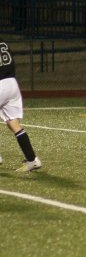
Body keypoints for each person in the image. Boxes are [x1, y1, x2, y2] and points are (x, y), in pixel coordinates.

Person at [0, 40, 42, 172]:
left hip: (0, 83)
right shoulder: (3, 42)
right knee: (13, 123)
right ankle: (32, 159)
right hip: (12, 83)